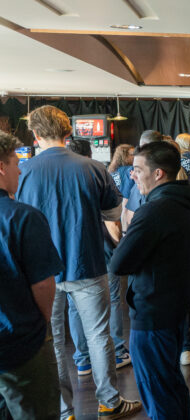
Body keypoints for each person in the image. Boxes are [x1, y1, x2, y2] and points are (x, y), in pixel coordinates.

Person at [16, 105, 141, 420]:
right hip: (87, 264)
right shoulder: (92, 167)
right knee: (99, 336)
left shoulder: (24, 172)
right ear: (69, 132)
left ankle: (64, 410)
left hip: (42, 273)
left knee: (54, 342)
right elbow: (113, 215)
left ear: (35, 134)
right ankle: (109, 403)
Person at [110, 141, 190, 420]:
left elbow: (118, 264)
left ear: (158, 173)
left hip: (153, 313)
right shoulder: (185, 197)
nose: (132, 175)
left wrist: (119, 234)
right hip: (173, 307)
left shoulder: (154, 210)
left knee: (158, 393)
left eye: (137, 169)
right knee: (171, 385)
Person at [0, 131, 64, 420]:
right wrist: (44, 325)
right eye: (15, 162)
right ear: (1, 168)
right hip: (21, 344)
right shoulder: (23, 217)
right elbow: (43, 286)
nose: (20, 169)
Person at [66, 139, 132, 377]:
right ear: (90, 152)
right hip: (100, 247)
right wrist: (119, 245)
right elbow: (112, 217)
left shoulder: (58, 176)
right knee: (112, 301)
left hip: (69, 252)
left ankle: (82, 360)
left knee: (74, 306)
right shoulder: (96, 171)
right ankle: (118, 352)